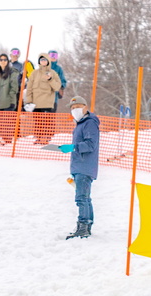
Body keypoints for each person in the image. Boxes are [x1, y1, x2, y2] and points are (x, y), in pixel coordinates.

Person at [61, 94, 99, 239]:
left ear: (85, 108)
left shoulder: (90, 123)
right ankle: (86, 226)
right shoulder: (80, 124)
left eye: (78, 107)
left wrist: (73, 147)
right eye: (72, 108)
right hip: (79, 166)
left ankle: (83, 227)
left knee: (81, 198)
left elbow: (90, 144)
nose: (75, 110)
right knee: (85, 198)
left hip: (85, 166)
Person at [24, 53, 61, 144]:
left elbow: (57, 87)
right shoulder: (34, 73)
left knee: (47, 122)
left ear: (48, 61)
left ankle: (46, 138)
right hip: (36, 104)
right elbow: (29, 88)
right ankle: (39, 137)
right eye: (41, 60)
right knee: (37, 122)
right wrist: (28, 100)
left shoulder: (53, 73)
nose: (43, 61)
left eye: (45, 59)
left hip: (47, 104)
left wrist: (50, 79)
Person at [0, 53, 21, 143]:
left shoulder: (12, 72)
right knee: (0, 124)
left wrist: (12, 100)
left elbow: (14, 87)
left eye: (5, 60)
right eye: (1, 60)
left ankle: (8, 140)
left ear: (8, 61)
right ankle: (4, 139)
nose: (3, 61)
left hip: (8, 102)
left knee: (7, 123)